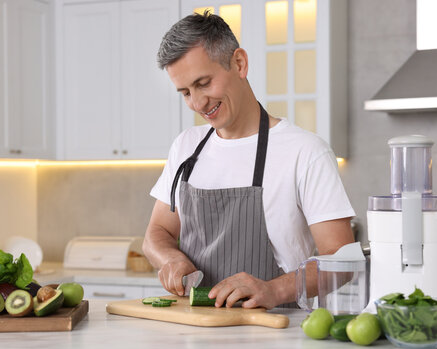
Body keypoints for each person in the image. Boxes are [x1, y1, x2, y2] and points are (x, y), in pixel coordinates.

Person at [143, 11, 355, 309]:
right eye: (185, 92)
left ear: (239, 63)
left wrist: (274, 290)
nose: (198, 103)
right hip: (196, 332)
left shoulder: (306, 152)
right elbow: (156, 234)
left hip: (277, 333)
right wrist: (172, 259)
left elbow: (342, 260)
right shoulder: (186, 147)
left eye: (203, 83)